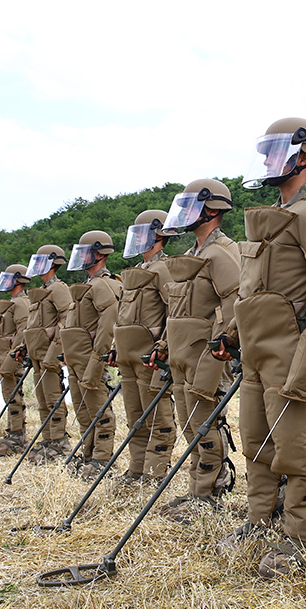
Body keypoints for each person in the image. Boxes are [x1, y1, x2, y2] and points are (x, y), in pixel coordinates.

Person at [214, 117, 306, 579]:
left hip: (293, 353)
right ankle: (261, 521)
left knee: (297, 450)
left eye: (275, 152)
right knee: (257, 444)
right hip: (256, 353)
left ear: (303, 156)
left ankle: (302, 540)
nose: (265, 161)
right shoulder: (275, 215)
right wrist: (232, 337)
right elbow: (251, 291)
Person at [147, 179, 241, 522]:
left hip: (207, 355)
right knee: (190, 426)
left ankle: (210, 492)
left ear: (212, 210)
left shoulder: (221, 252)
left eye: (192, 206)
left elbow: (235, 302)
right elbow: (178, 309)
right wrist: (163, 346)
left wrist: (225, 340)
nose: (184, 213)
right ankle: (195, 490)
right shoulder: (194, 255)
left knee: (205, 425)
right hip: (182, 356)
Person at [113, 210, 177, 483]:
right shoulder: (137, 271)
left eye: (143, 234)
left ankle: (153, 474)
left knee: (157, 420)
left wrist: (164, 346)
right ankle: (136, 470)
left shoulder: (165, 269)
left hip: (152, 357)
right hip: (129, 356)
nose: (138, 239)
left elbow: (174, 310)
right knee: (135, 417)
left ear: (158, 236)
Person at [61, 230, 123, 480]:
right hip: (77, 360)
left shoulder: (103, 284)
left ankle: (102, 459)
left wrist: (99, 357)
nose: (81, 257)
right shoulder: (88, 285)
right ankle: (88, 455)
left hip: (90, 360)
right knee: (83, 412)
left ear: (99, 254)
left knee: (100, 412)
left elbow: (108, 324)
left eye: (86, 252)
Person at [15, 245, 74, 464]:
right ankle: (48, 438)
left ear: (52, 263)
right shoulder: (41, 291)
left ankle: (59, 441)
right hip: (37, 354)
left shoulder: (58, 288)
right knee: (41, 400)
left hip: (49, 355)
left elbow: (66, 319)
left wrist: (56, 349)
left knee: (52, 399)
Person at [0, 264, 31, 456]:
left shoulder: (21, 303)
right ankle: (13, 430)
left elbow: (23, 331)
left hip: (12, 359)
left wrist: (15, 353)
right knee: (9, 396)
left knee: (14, 397)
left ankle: (18, 433)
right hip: (4, 357)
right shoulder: (12, 302)